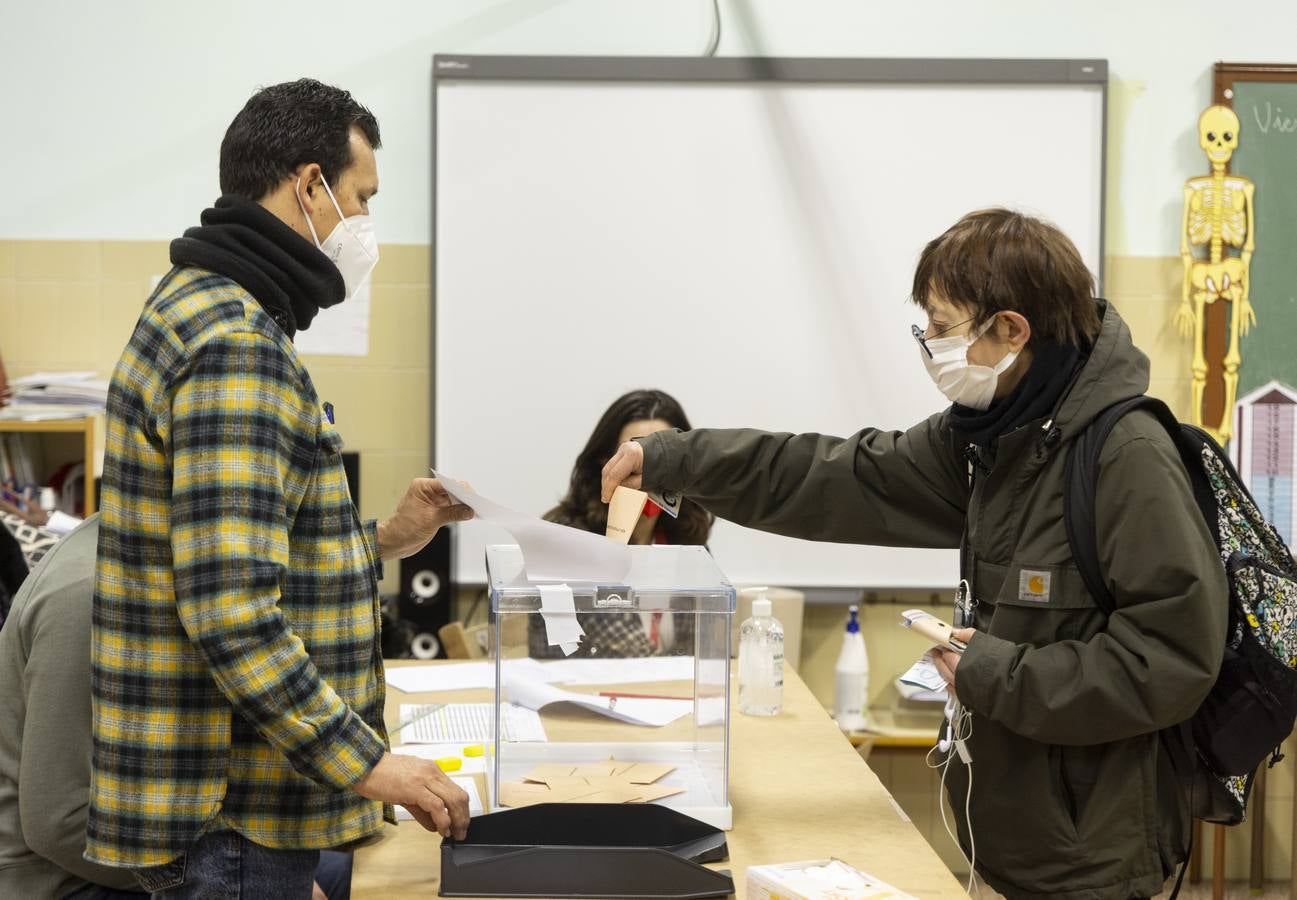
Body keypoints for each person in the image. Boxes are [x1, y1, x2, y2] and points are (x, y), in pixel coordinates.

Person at [601, 209, 1226, 899]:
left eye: (940, 324)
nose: (927, 343)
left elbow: (1168, 660)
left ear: (1010, 330)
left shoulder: (1125, 456)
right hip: (1008, 840)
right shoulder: (988, 440)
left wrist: (991, 672)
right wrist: (671, 458)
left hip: (1091, 860)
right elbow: (829, 475)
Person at [88, 79, 472, 896]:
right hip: (232, 816)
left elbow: (239, 563)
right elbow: (230, 610)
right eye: (360, 199)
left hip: (225, 810)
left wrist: (389, 542)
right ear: (308, 184)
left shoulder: (204, 305)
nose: (364, 226)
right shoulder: (236, 344)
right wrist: (369, 763)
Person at [0, 516, 352, 899]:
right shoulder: (89, 592)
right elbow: (58, 824)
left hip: (137, 838)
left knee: (343, 861)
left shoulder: (167, 556)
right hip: (63, 881)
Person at [529, 389, 713, 658]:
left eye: (662, 457)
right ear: (604, 462)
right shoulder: (570, 537)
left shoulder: (684, 539)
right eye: (635, 457)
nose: (650, 471)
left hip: (667, 694)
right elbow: (622, 653)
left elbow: (705, 650)